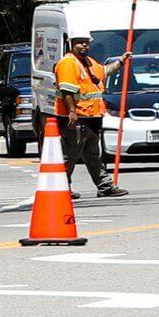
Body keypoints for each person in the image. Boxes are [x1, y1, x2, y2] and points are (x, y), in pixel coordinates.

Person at [51, 34, 125, 197]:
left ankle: (105, 185)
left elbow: (103, 72)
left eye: (86, 43)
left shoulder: (89, 62)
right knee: (70, 155)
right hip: (77, 118)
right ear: (71, 44)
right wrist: (72, 112)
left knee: (92, 155)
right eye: (79, 43)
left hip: (92, 118)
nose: (84, 46)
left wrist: (120, 61)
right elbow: (66, 91)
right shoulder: (68, 63)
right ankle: (61, 188)